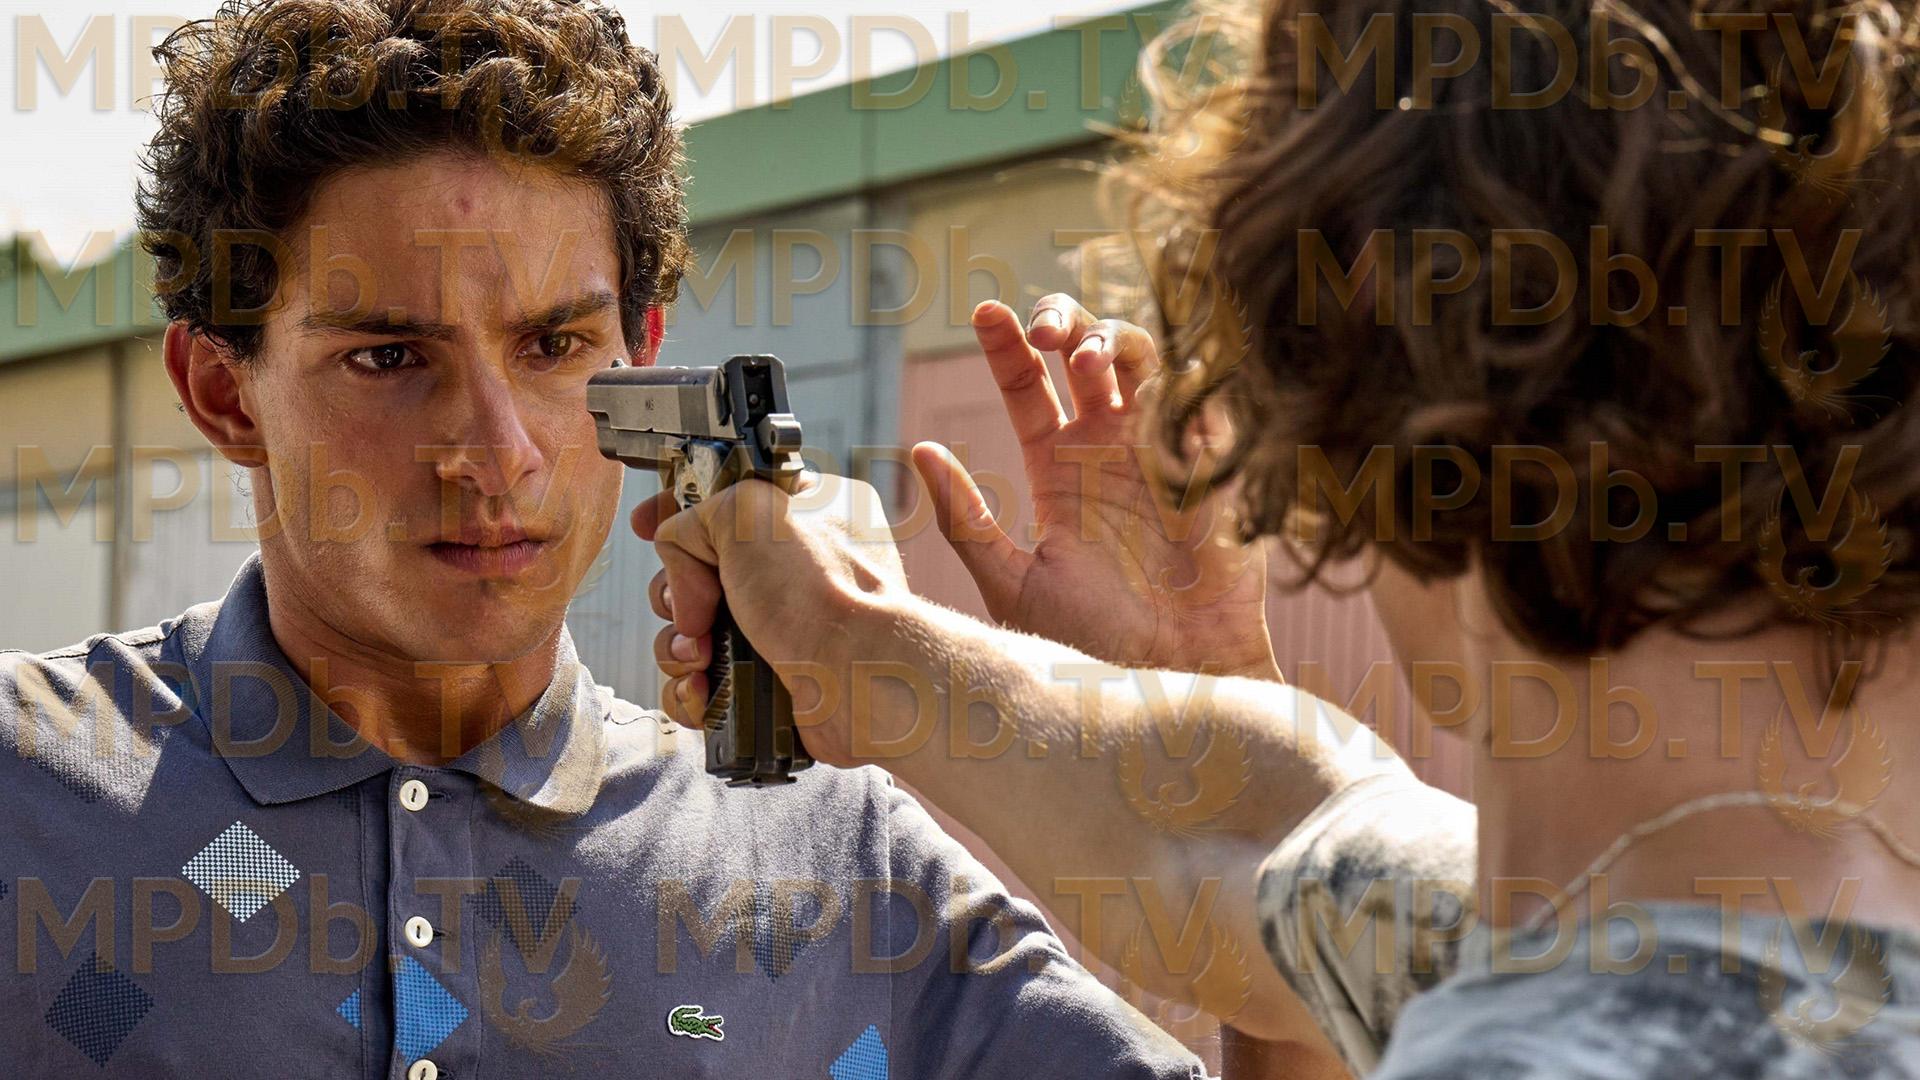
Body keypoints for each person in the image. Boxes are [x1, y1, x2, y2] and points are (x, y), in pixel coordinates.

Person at [637, 0, 1920, 1075]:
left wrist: (849, 636)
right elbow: (1248, 846)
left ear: (1374, 378)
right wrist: (1151, 678)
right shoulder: (1624, 937)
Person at [0, 3, 1211, 1077]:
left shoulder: (825, 860)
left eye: (552, 347)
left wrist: (1201, 707)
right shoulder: (27, 796)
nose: (498, 452)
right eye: (389, 356)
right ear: (224, 393)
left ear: (639, 356)